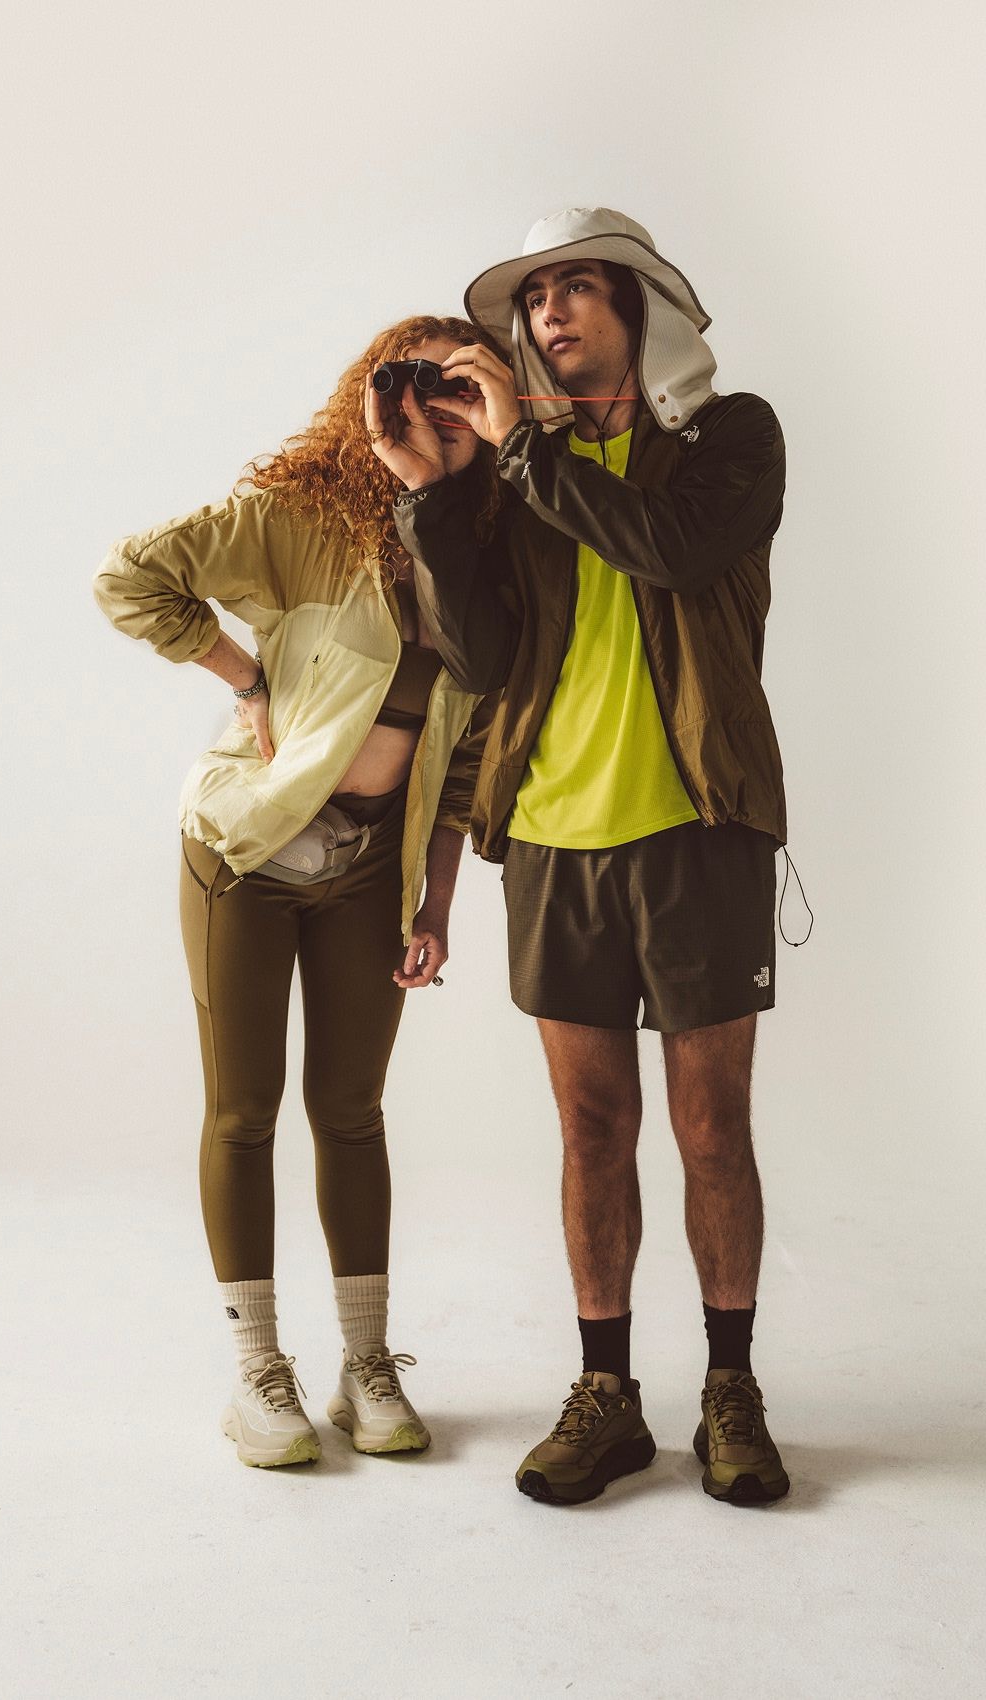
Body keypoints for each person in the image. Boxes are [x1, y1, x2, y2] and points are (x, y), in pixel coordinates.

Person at [377, 207, 797, 1506]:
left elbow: (664, 548)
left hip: (699, 831)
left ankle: (730, 1386)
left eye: (577, 287)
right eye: (535, 295)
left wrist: (522, 451)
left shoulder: (726, 442)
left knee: (711, 1127)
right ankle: (606, 1393)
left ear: (638, 308)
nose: (550, 311)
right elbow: (490, 662)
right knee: (592, 1127)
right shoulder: (510, 479)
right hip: (554, 842)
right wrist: (439, 493)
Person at [93, 315, 501, 1469]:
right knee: (245, 1109)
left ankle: (364, 1364)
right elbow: (131, 575)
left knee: (353, 1109)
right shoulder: (299, 520)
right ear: (367, 404)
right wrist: (243, 672)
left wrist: (436, 903)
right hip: (246, 850)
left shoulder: (482, 567)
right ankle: (256, 1372)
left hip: (375, 862)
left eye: (462, 395)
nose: (433, 418)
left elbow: (459, 765)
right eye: (413, 395)